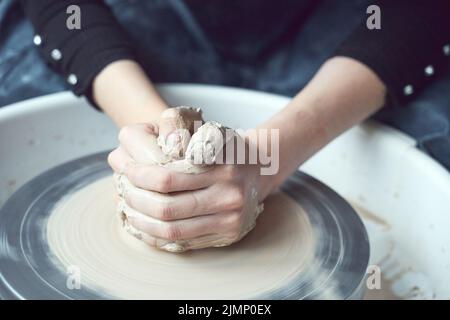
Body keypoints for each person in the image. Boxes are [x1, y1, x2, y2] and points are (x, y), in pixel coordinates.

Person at [2, 0, 449, 251]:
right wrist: (160, 142)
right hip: (141, 16)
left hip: (346, 24)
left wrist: (269, 157)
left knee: (436, 141)